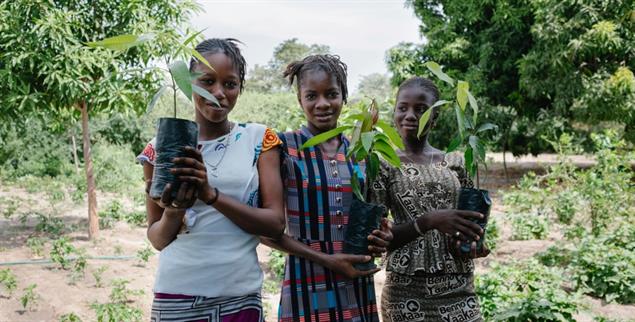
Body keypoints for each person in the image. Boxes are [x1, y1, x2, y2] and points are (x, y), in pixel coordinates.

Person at [137, 38, 285, 322]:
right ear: (188, 83)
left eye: (230, 84)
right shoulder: (161, 148)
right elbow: (157, 239)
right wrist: (175, 210)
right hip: (176, 297)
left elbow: (276, 224)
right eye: (207, 81)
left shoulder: (259, 140)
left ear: (241, 87)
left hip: (240, 297)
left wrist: (210, 194)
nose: (219, 92)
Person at [261, 54, 391, 322]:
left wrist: (381, 232)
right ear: (300, 100)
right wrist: (327, 259)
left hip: (356, 280)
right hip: (306, 281)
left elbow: (372, 216)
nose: (322, 104)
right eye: (311, 96)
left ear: (344, 96)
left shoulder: (360, 152)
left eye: (331, 94)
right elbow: (265, 232)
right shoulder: (282, 148)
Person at [370, 76, 489, 322]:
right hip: (406, 291)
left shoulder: (455, 162)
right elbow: (377, 239)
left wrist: (476, 240)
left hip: (459, 288)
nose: (410, 115)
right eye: (402, 108)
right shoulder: (384, 164)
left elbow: (471, 220)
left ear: (433, 118)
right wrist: (427, 221)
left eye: (421, 109)